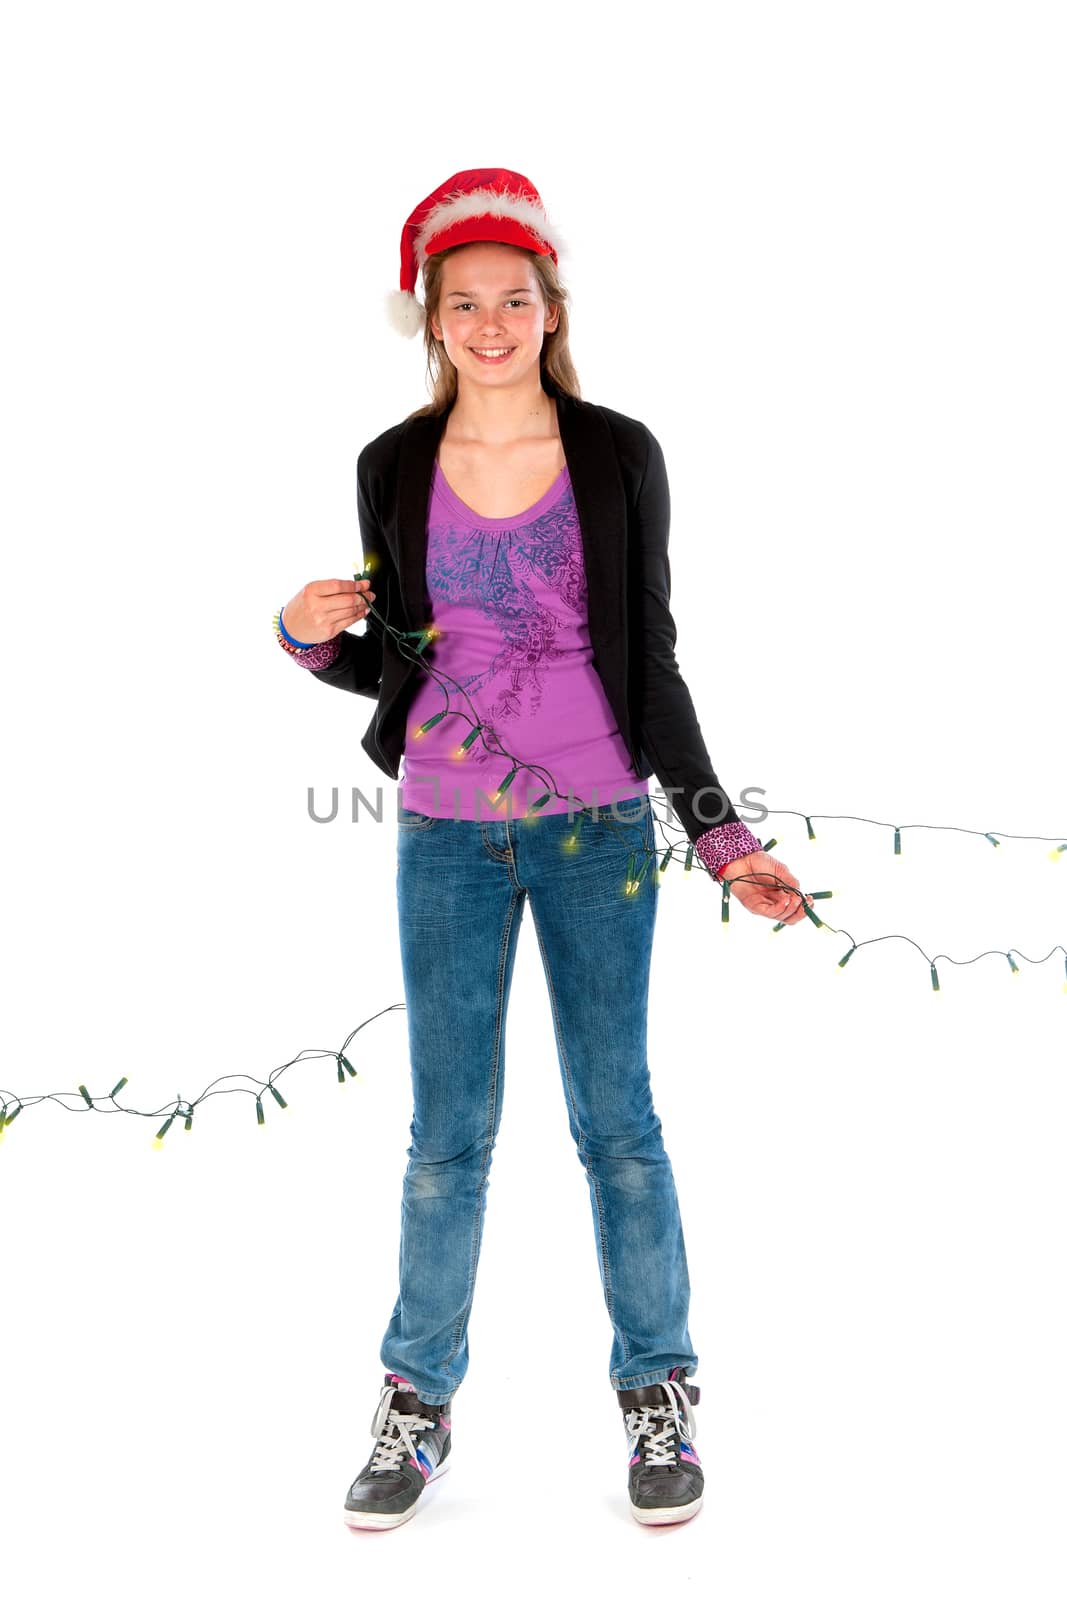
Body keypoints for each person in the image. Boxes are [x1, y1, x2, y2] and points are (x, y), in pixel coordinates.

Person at [273, 169, 811, 1531]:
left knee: (617, 1125)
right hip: (447, 840)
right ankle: (417, 1402)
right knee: (447, 1138)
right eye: (466, 303)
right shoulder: (391, 468)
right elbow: (407, 674)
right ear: (434, 320)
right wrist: (305, 636)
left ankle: (658, 1392)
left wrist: (720, 837)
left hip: (596, 834)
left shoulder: (619, 455)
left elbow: (652, 662)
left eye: (516, 299)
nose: (493, 322)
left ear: (550, 309)